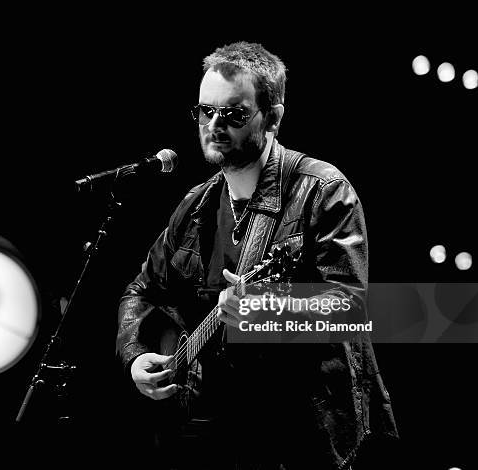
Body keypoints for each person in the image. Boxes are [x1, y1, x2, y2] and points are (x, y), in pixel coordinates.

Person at [116, 42, 398, 469]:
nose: (214, 124)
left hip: (305, 433)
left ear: (274, 118)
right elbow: (141, 290)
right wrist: (135, 354)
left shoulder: (322, 191)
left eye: (234, 114)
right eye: (205, 111)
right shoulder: (196, 207)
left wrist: (265, 308)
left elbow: (350, 306)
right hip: (219, 430)